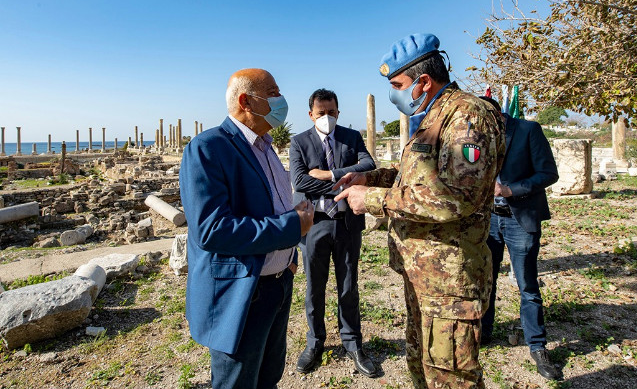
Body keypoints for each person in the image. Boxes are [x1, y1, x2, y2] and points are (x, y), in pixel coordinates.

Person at [334, 33, 506, 388]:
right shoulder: (435, 117)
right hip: (425, 274)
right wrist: (370, 177)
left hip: (450, 279)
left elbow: (456, 196)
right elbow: (418, 177)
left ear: (424, 82)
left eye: (398, 84)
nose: (394, 93)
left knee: (450, 377)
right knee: (423, 368)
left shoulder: (466, 116)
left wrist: (372, 200)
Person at [179, 68, 314, 389]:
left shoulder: (265, 146)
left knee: (269, 377)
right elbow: (212, 230)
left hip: (277, 286)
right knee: (237, 382)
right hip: (242, 294)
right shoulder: (208, 148)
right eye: (274, 92)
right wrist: (292, 228)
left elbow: (273, 205)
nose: (282, 100)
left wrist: (288, 257)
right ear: (246, 101)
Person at [289, 88, 377, 377]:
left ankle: (352, 342)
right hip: (314, 224)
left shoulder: (351, 137)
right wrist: (349, 181)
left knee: (349, 286)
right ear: (311, 114)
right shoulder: (299, 141)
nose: (326, 117)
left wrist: (329, 175)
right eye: (321, 112)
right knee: (314, 286)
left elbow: (368, 165)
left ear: (338, 112)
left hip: (347, 223)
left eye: (331, 112)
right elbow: (300, 181)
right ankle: (315, 343)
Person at [479, 96, 560, 380]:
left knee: (527, 285)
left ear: (497, 114)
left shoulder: (528, 130)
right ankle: (484, 333)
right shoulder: (477, 136)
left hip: (519, 218)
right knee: (486, 280)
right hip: (487, 220)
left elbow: (549, 174)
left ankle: (537, 347)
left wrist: (512, 189)